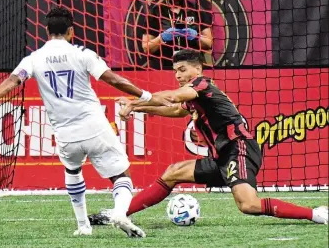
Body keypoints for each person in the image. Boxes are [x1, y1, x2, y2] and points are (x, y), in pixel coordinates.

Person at [0, 6, 171, 238]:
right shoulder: (82, 53)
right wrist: (144, 95)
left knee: (73, 171)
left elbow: (14, 79)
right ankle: (119, 212)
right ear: (71, 31)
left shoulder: (34, 58)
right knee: (121, 176)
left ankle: (83, 226)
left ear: (46, 30)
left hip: (65, 133)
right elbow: (112, 79)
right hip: (94, 126)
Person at [89, 49, 328, 226]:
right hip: (221, 155)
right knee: (173, 172)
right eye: (175, 72)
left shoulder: (202, 85)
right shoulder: (195, 97)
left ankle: (316, 214)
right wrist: (137, 108)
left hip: (238, 149)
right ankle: (119, 214)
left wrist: (133, 101)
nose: (178, 75)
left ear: (198, 69)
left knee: (249, 205)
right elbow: (174, 110)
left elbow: (172, 98)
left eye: (182, 70)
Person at [141, 0, 213, 69]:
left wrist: (196, 36)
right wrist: (161, 38)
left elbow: (209, 43)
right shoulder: (155, 13)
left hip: (192, 66)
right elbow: (146, 48)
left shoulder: (196, 10)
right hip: (164, 67)